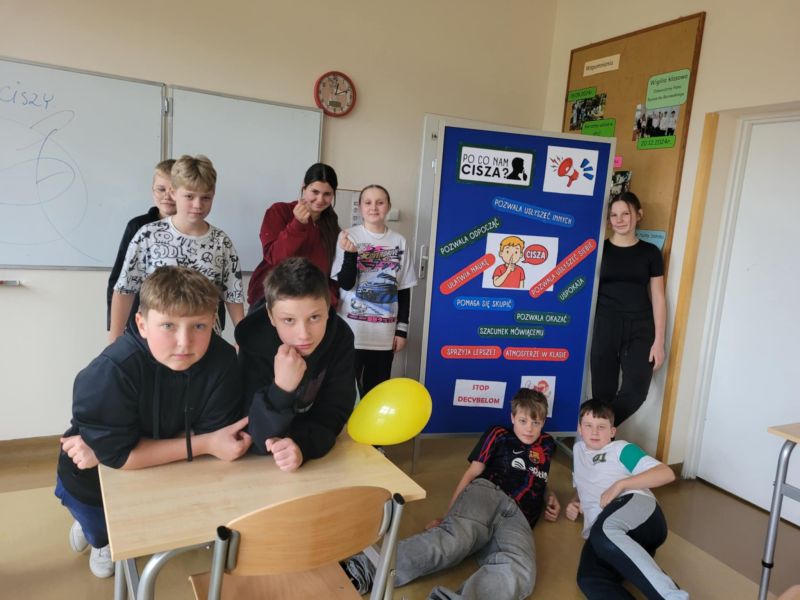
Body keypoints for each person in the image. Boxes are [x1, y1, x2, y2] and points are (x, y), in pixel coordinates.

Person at [56, 266, 251, 578]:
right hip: (92, 478)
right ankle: (96, 537)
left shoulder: (223, 360)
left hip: (163, 467)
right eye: (168, 326)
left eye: (199, 326)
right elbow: (123, 457)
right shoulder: (112, 370)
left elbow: (217, 433)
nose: (184, 342)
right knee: (99, 524)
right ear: (142, 324)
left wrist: (115, 452)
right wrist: (203, 444)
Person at [343, 388, 561, 599]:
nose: (529, 428)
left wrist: (549, 495)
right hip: (488, 493)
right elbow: (472, 473)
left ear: (543, 422)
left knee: (521, 570)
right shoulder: (499, 434)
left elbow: (537, 477)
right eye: (523, 421)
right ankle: (361, 569)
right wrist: (449, 516)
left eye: (536, 423)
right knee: (454, 541)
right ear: (512, 417)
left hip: (519, 517)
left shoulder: (547, 444)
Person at [236, 257, 355, 472]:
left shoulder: (341, 337)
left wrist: (303, 446)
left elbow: (335, 412)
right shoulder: (253, 341)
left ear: (328, 308)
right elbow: (255, 433)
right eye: (289, 320)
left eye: (314, 317)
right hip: (257, 468)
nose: (303, 335)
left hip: (314, 458)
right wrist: (282, 388)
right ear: (271, 316)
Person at [109, 155, 244, 342]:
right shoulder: (148, 235)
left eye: (205, 198)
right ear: (173, 193)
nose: (197, 205)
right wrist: (114, 340)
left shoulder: (222, 242)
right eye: (189, 196)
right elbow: (125, 290)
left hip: (203, 341)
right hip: (155, 341)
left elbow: (233, 296)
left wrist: (242, 340)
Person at [565, 399, 686, 599]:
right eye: (588, 425)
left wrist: (620, 485)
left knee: (604, 532)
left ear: (612, 431)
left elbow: (666, 473)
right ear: (579, 429)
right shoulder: (578, 452)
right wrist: (575, 502)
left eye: (601, 427)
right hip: (606, 533)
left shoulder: (620, 449)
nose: (594, 432)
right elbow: (584, 485)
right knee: (589, 578)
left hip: (640, 512)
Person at [331, 184, 417, 396]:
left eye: (380, 202)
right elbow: (345, 284)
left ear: (388, 206)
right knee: (345, 393)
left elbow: (403, 289)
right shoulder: (348, 236)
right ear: (360, 207)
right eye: (368, 202)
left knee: (376, 393)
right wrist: (351, 254)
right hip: (351, 332)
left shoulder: (399, 241)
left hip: (384, 335)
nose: (373, 207)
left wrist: (401, 330)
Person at [590, 192, 666, 426]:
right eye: (614, 215)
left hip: (640, 327)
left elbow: (658, 297)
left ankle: (598, 430)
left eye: (625, 213)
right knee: (602, 393)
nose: (619, 219)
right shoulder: (599, 250)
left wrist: (659, 342)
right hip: (605, 324)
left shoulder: (650, 252)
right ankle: (600, 435)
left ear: (638, 215)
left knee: (636, 391)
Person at [246, 162, 340, 309]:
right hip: (273, 299)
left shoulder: (332, 225)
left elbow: (331, 270)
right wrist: (297, 224)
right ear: (304, 188)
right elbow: (275, 257)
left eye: (327, 194)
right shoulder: (279, 211)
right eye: (315, 192)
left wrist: (330, 299)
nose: (320, 199)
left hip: (311, 304)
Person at [106, 158, 176, 330]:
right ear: (153, 190)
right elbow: (119, 278)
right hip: (141, 320)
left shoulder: (198, 229)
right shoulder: (138, 227)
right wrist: (115, 329)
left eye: (174, 190)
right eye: (161, 189)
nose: (167, 196)